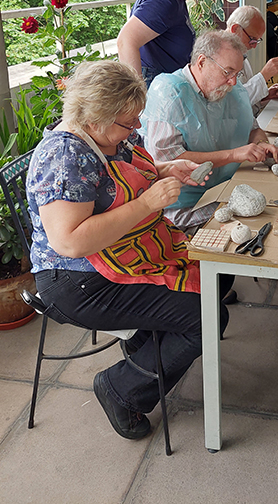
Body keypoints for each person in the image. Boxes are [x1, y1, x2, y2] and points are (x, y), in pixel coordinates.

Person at [26, 60, 233, 441]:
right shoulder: (65, 158)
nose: (136, 128)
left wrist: (168, 170)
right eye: (128, 121)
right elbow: (69, 241)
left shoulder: (114, 138)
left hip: (124, 251)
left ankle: (147, 350)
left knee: (220, 273)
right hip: (76, 280)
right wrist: (147, 203)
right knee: (206, 316)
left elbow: (128, 179)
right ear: (93, 117)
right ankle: (121, 389)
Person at [140, 30, 278, 231]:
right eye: (227, 72)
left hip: (227, 187)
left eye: (237, 74)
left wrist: (261, 144)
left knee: (271, 206)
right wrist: (233, 155)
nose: (233, 82)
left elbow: (252, 128)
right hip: (183, 205)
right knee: (257, 223)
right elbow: (168, 160)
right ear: (201, 62)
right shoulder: (169, 93)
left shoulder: (229, 88)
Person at [225, 6, 278, 110]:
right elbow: (232, 104)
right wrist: (264, 76)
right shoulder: (218, 59)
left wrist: (264, 96)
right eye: (252, 39)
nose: (254, 46)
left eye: (257, 40)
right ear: (235, 29)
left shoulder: (240, 54)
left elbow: (247, 99)